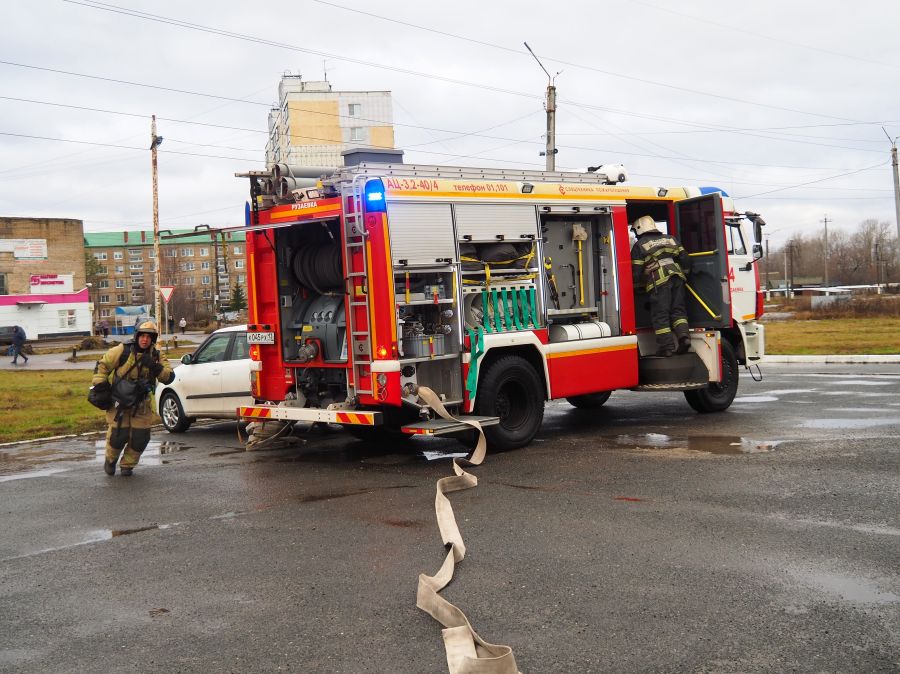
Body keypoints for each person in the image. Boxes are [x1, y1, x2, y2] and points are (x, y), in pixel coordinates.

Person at [92, 320, 175, 477]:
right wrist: (100, 384)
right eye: (142, 336)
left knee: (140, 437)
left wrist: (154, 366)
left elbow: (169, 377)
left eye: (149, 337)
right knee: (119, 435)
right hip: (119, 402)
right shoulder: (122, 350)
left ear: (153, 339)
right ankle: (110, 460)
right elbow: (102, 365)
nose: (145, 339)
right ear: (136, 336)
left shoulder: (156, 355)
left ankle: (127, 466)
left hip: (142, 404)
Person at [630, 215, 692, 357]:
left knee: (661, 315)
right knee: (678, 312)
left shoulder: (640, 245)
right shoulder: (671, 238)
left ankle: (667, 347)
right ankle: (684, 337)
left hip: (659, 283)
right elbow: (686, 260)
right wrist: (685, 275)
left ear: (639, 228)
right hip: (678, 278)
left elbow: (636, 272)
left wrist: (635, 286)